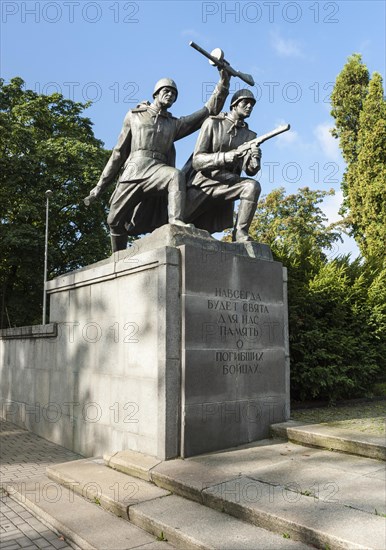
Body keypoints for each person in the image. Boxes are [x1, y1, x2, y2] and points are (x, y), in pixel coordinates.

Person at [84, 72, 230, 252]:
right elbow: (118, 153)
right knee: (113, 220)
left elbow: (206, 112)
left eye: (174, 94)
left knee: (174, 175)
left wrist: (223, 84)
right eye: (166, 91)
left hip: (158, 170)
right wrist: (100, 186)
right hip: (134, 171)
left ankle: (175, 220)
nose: (170, 95)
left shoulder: (174, 124)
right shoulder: (134, 115)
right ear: (156, 94)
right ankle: (118, 257)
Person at [184, 89, 261, 241]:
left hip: (229, 181)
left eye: (252, 104)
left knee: (252, 186)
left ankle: (240, 233)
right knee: (180, 220)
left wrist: (255, 160)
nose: (249, 106)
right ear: (234, 105)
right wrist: (225, 157)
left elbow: (250, 171)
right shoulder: (213, 123)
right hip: (204, 181)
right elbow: (197, 160)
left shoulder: (250, 136)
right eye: (245, 103)